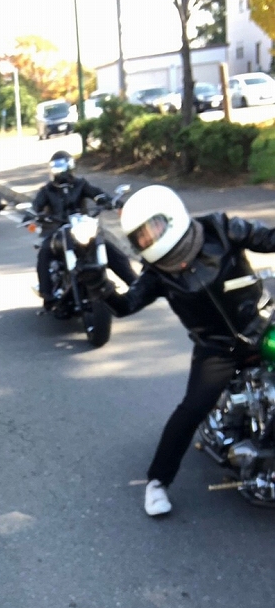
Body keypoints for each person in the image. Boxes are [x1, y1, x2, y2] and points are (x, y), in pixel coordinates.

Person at [111, 184, 275, 516]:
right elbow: (126, 305)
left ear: (171, 216)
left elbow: (268, 238)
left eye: (153, 228)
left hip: (262, 326)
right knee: (192, 410)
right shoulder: (156, 274)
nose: (148, 239)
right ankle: (157, 482)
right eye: (141, 237)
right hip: (217, 348)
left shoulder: (221, 229)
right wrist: (98, 285)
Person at [32, 150, 136, 310]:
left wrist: (109, 201)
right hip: (56, 230)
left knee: (109, 249)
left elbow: (97, 194)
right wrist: (33, 214)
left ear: (71, 168)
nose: (62, 173)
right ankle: (47, 295)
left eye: (64, 168)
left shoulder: (80, 184)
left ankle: (135, 285)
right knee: (44, 252)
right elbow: (36, 206)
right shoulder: (47, 190)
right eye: (58, 169)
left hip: (81, 228)